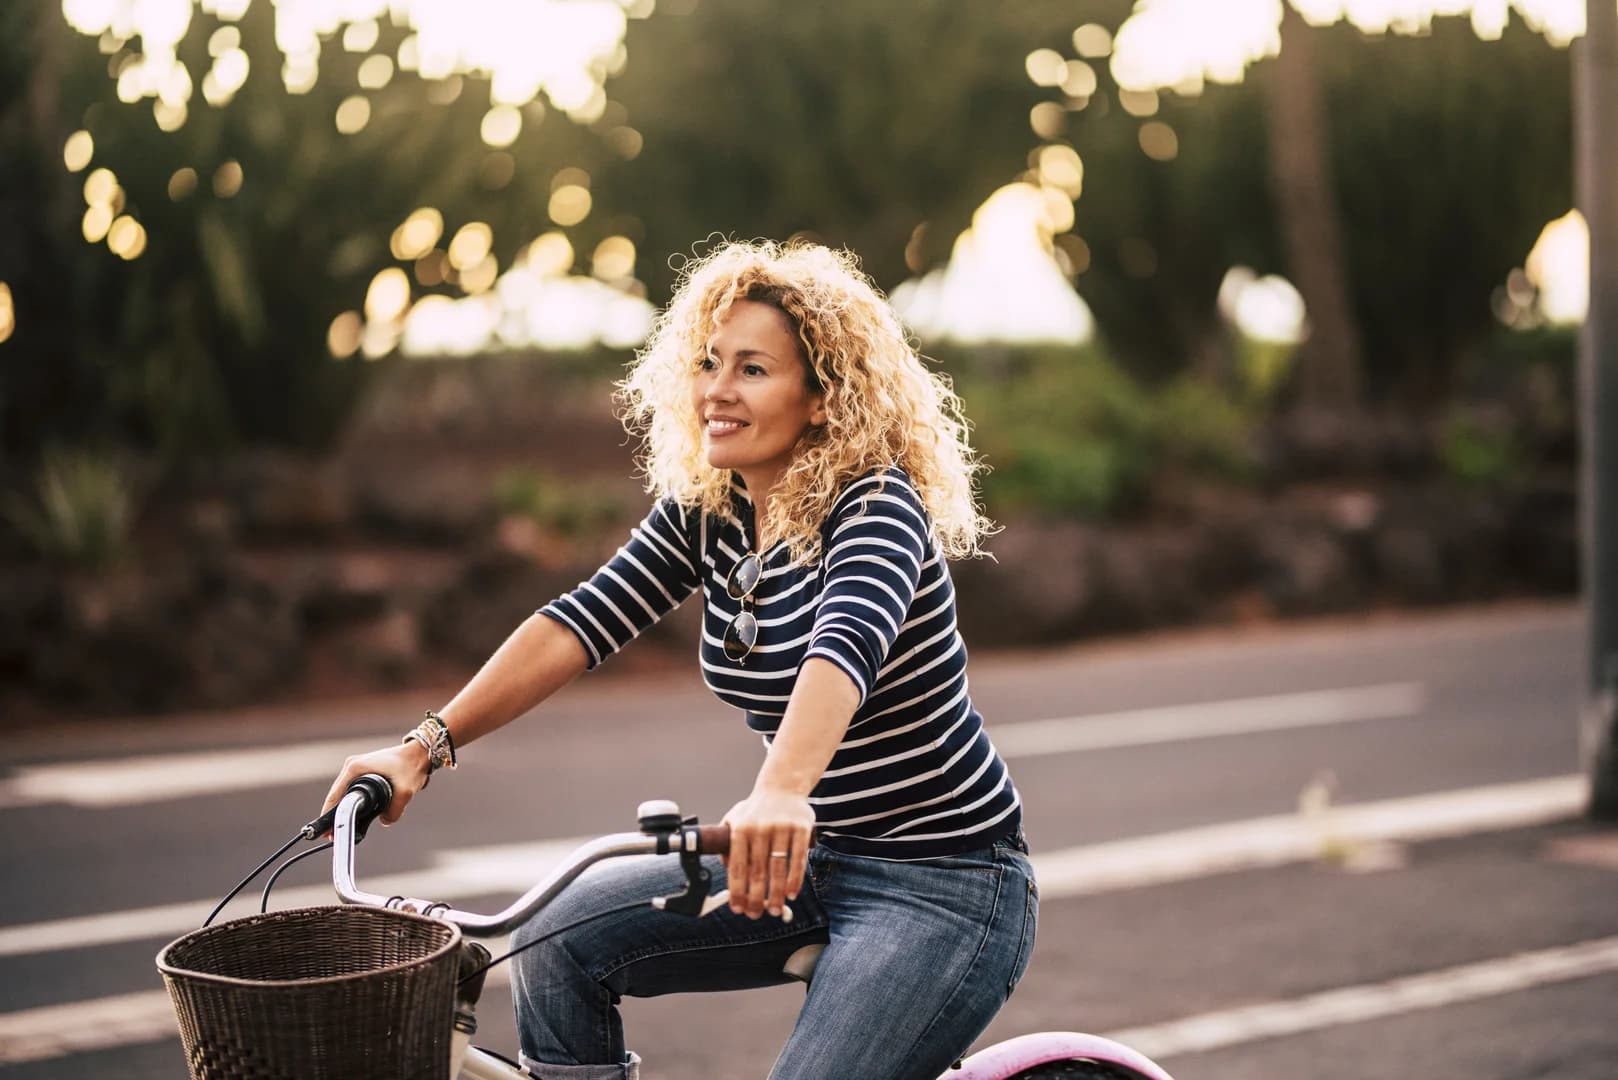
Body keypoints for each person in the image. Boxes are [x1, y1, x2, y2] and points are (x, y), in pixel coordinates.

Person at [322, 240, 1036, 1080]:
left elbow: (846, 645)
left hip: (943, 881)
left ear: (821, 397)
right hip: (801, 857)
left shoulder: (877, 505)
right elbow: (579, 622)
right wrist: (423, 746)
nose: (717, 390)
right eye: (707, 361)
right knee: (554, 944)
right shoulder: (712, 513)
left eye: (753, 369)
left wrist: (777, 793)